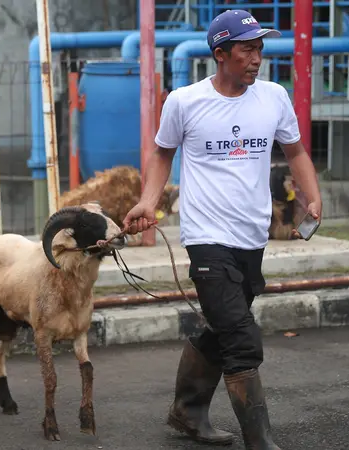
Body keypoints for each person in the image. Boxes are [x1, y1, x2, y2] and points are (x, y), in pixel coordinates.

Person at [122, 9, 323, 449]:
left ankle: (187, 411)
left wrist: (312, 194)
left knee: (222, 325)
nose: (257, 58)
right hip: (205, 236)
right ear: (220, 53)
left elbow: (295, 151)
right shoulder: (185, 101)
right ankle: (261, 440)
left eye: (260, 49)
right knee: (241, 337)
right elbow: (161, 154)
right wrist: (147, 201)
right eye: (247, 49)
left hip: (251, 236)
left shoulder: (273, 97)